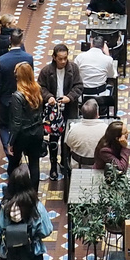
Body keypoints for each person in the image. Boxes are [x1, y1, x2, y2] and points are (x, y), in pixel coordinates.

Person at [38, 43, 83, 182]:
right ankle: (53, 166)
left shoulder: (73, 68)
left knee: (67, 139)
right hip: (53, 111)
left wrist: (69, 97)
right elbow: (40, 87)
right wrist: (49, 97)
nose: (63, 61)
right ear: (54, 57)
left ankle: (65, 163)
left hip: (69, 109)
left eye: (65, 58)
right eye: (60, 58)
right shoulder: (46, 71)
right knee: (53, 139)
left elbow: (79, 86)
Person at [6, 62, 47, 188]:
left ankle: (13, 191)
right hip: (37, 132)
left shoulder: (17, 96)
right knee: (34, 164)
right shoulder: (38, 89)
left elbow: (16, 122)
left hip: (22, 135)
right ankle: (33, 195)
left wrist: (11, 142)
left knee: (13, 165)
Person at [0, 29, 34, 153]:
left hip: (5, 99)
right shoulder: (28, 58)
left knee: (3, 125)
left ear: (10, 40)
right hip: (23, 97)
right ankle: (18, 147)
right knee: (19, 123)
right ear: (21, 41)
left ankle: (8, 148)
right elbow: (30, 79)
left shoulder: (2, 60)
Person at [64, 99, 108, 163]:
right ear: (97, 113)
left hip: (78, 165)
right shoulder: (106, 129)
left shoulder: (73, 129)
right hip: (100, 165)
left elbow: (68, 143)